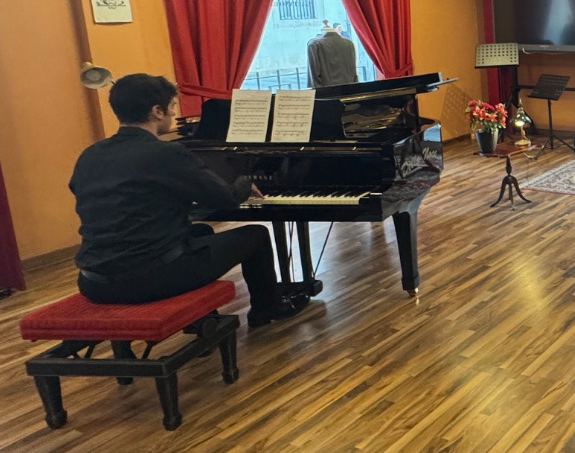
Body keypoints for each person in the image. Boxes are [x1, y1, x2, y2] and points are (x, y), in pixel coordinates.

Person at [68, 73, 309, 327]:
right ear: (157, 111)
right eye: (172, 107)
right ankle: (265, 309)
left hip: (93, 282)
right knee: (256, 235)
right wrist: (244, 181)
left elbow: (89, 193)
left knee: (201, 231)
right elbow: (226, 197)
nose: (174, 113)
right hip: (148, 280)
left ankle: (205, 318)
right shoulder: (166, 153)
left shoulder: (90, 154)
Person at [307, 21, 358, 87]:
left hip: (327, 91)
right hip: (349, 90)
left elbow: (314, 77)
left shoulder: (314, 44)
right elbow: (353, 73)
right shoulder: (349, 43)